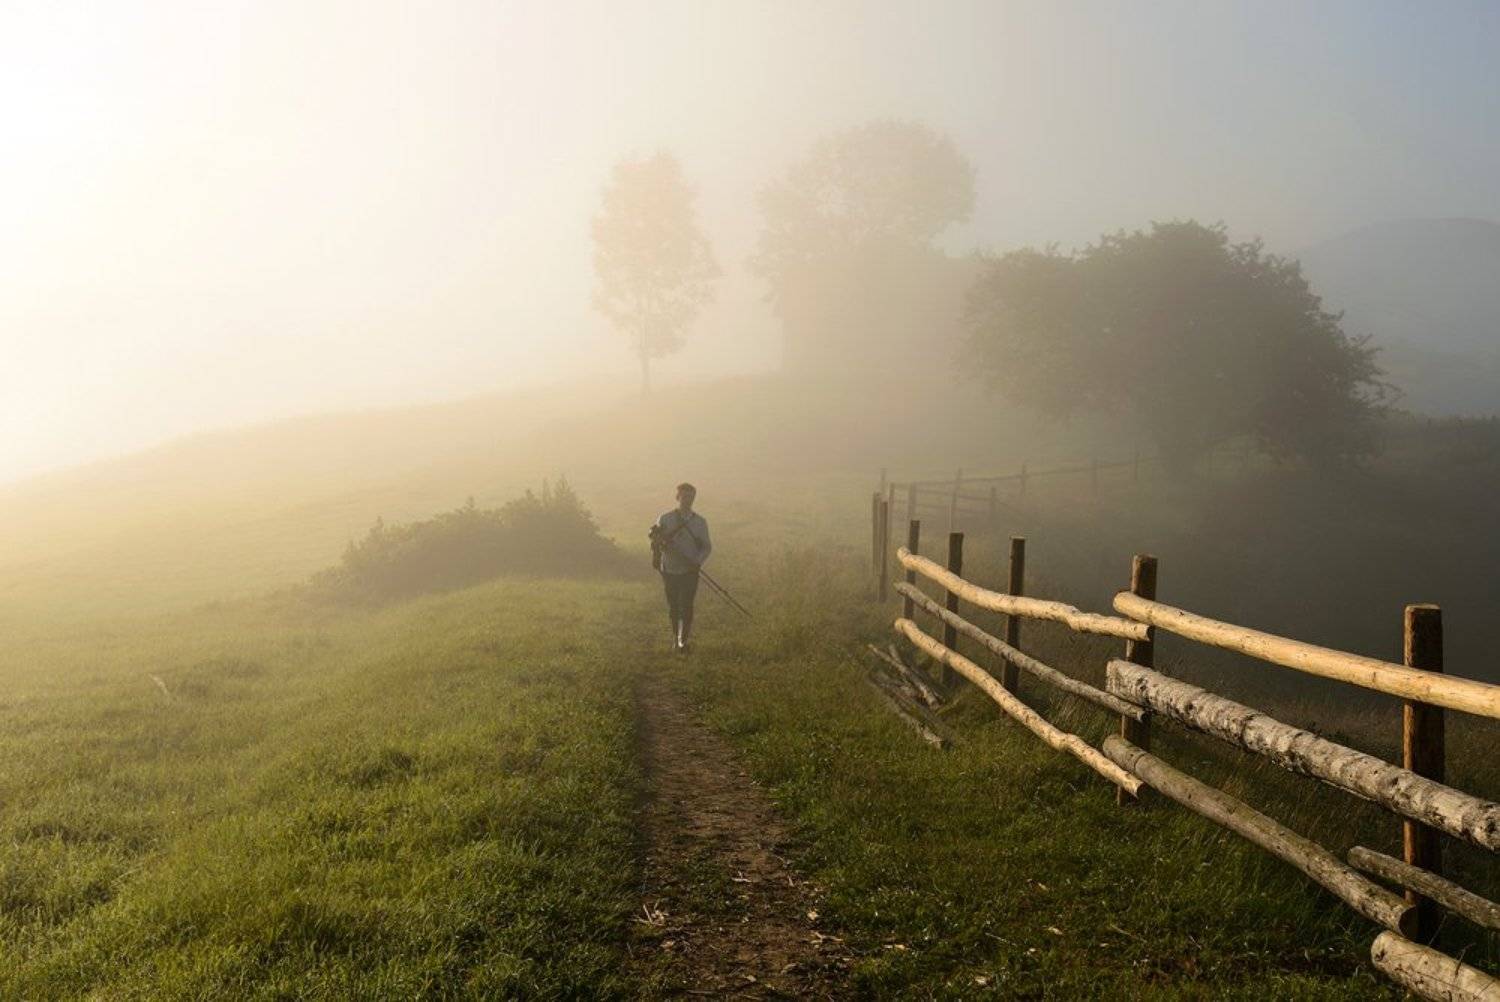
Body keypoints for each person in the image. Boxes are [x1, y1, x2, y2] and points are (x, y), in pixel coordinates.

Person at [650, 482, 711, 652]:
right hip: (669, 569)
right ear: (678, 497)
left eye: (691, 497)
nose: (687, 500)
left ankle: (683, 640)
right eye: (684, 497)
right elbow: (655, 540)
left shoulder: (700, 522)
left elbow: (707, 547)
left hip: (690, 570)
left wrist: (697, 561)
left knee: (687, 604)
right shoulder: (665, 518)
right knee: (674, 605)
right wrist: (661, 544)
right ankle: (675, 638)